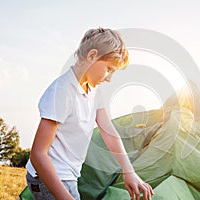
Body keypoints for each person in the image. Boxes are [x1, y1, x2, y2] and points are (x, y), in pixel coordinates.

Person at [25, 27, 154, 200]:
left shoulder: (95, 91)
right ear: (92, 56)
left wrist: (129, 171)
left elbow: (109, 132)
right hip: (46, 178)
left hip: (69, 177)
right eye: (109, 69)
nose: (109, 78)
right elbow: (38, 154)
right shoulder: (61, 92)